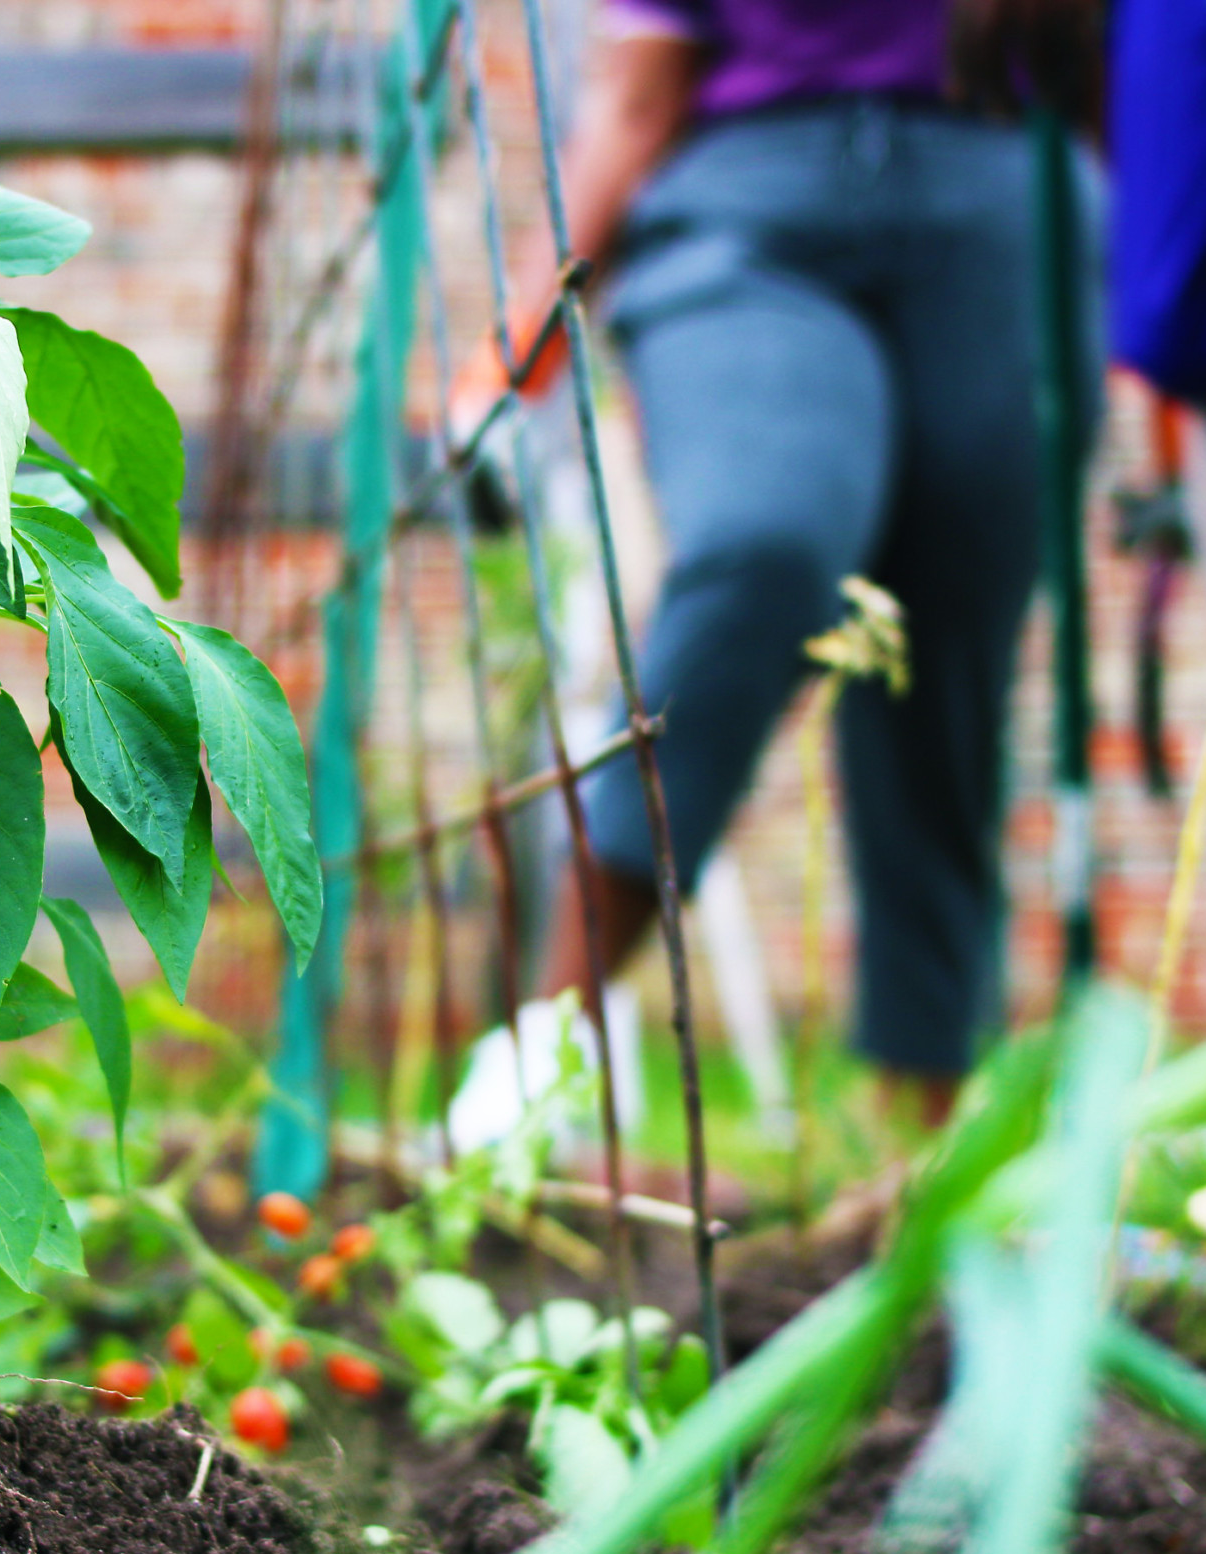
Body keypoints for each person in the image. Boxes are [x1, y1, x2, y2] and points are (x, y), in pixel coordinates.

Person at [450, 0, 1102, 1144]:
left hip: (1006, 183)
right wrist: (519, 348)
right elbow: (638, 90)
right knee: (765, 542)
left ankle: (922, 1158)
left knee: (942, 669)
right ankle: (550, 1035)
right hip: (745, 206)